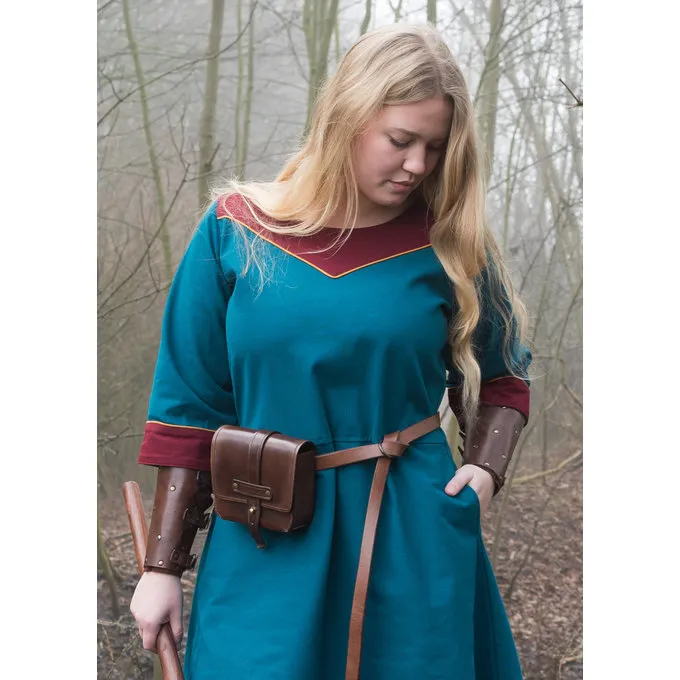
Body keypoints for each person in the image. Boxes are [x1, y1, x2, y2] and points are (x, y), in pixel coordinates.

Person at [130, 22, 532, 680]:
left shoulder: (450, 244)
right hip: (261, 533)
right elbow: (188, 406)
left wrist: (484, 470)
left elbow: (506, 377)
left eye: (434, 147)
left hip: (410, 531)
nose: (418, 165)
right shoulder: (236, 230)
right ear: (348, 115)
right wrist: (162, 567)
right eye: (400, 140)